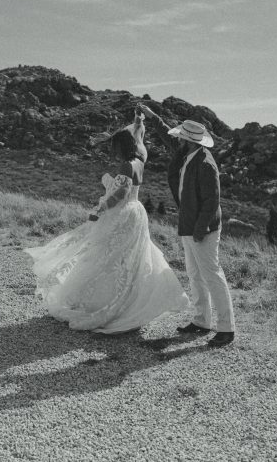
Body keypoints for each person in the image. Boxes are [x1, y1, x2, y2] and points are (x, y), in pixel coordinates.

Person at [24, 110, 188, 333]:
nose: (112, 152)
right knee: (128, 257)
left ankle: (100, 304)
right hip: (137, 212)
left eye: (113, 148)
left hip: (122, 213)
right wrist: (138, 122)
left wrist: (99, 209)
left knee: (105, 255)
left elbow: (120, 193)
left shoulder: (126, 165)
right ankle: (128, 302)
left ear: (120, 148)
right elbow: (137, 143)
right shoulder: (140, 159)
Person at [139, 104, 235, 348]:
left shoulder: (205, 163)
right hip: (189, 223)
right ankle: (202, 321)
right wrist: (152, 117)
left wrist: (201, 229)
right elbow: (165, 136)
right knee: (195, 274)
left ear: (189, 141)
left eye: (181, 137)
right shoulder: (186, 153)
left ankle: (226, 328)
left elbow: (212, 201)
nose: (178, 140)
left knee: (212, 275)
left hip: (202, 227)